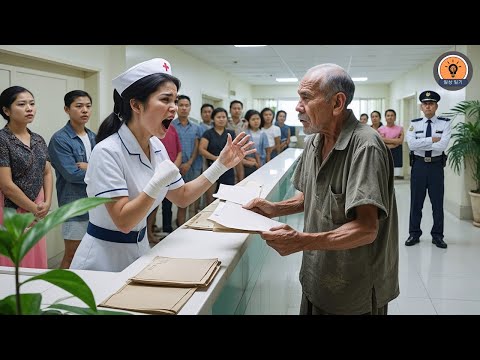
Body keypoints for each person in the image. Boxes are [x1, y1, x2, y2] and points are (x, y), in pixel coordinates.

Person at [70, 58, 255, 272]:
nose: (174, 109)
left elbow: (182, 196)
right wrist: (155, 184)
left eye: (175, 101)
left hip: (140, 250)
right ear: (136, 104)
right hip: (103, 260)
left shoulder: (155, 145)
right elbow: (123, 221)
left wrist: (220, 165)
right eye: (166, 100)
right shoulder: (107, 152)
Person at [244, 63, 399, 315]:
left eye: (306, 97)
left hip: (354, 287)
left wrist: (301, 241)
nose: (297, 107)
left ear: (337, 103)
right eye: (298, 97)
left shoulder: (365, 147)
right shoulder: (315, 139)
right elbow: (311, 195)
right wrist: (274, 208)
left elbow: (366, 229)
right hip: (317, 276)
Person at [0, 86, 53, 269]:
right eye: (22, 104)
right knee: (13, 260)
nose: (29, 108)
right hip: (11, 207)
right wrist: (34, 209)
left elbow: (47, 171)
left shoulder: (38, 139)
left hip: (37, 205)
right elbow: (6, 185)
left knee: (35, 256)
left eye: (32, 103)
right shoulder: (2, 139)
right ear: (6, 111)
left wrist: (47, 202)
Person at [48, 90, 96, 269]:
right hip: (74, 205)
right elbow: (71, 174)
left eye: (88, 106)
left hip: (95, 204)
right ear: (66, 109)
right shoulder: (60, 139)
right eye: (79, 106)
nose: (85, 110)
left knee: (91, 253)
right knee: (72, 254)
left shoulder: (93, 136)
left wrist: (89, 167)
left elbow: (106, 167)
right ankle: (58, 291)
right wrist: (96, 169)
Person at [405, 90, 451, 249]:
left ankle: (438, 236)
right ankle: (414, 233)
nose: (428, 106)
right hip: (419, 166)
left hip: (436, 167)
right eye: (425, 104)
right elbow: (411, 145)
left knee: (437, 203)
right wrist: (432, 139)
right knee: (416, 203)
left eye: (431, 104)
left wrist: (422, 142)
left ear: (436, 106)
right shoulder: (414, 123)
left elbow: (443, 145)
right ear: (421, 107)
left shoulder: (444, 123)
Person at [378, 109, 404, 177]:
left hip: (396, 152)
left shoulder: (400, 128)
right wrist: (395, 141)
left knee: (394, 174)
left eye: (392, 115)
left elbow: (400, 141)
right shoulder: (380, 129)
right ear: (385, 117)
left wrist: (386, 140)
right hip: (384, 152)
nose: (390, 117)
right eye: (388, 115)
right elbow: (381, 141)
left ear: (395, 117)